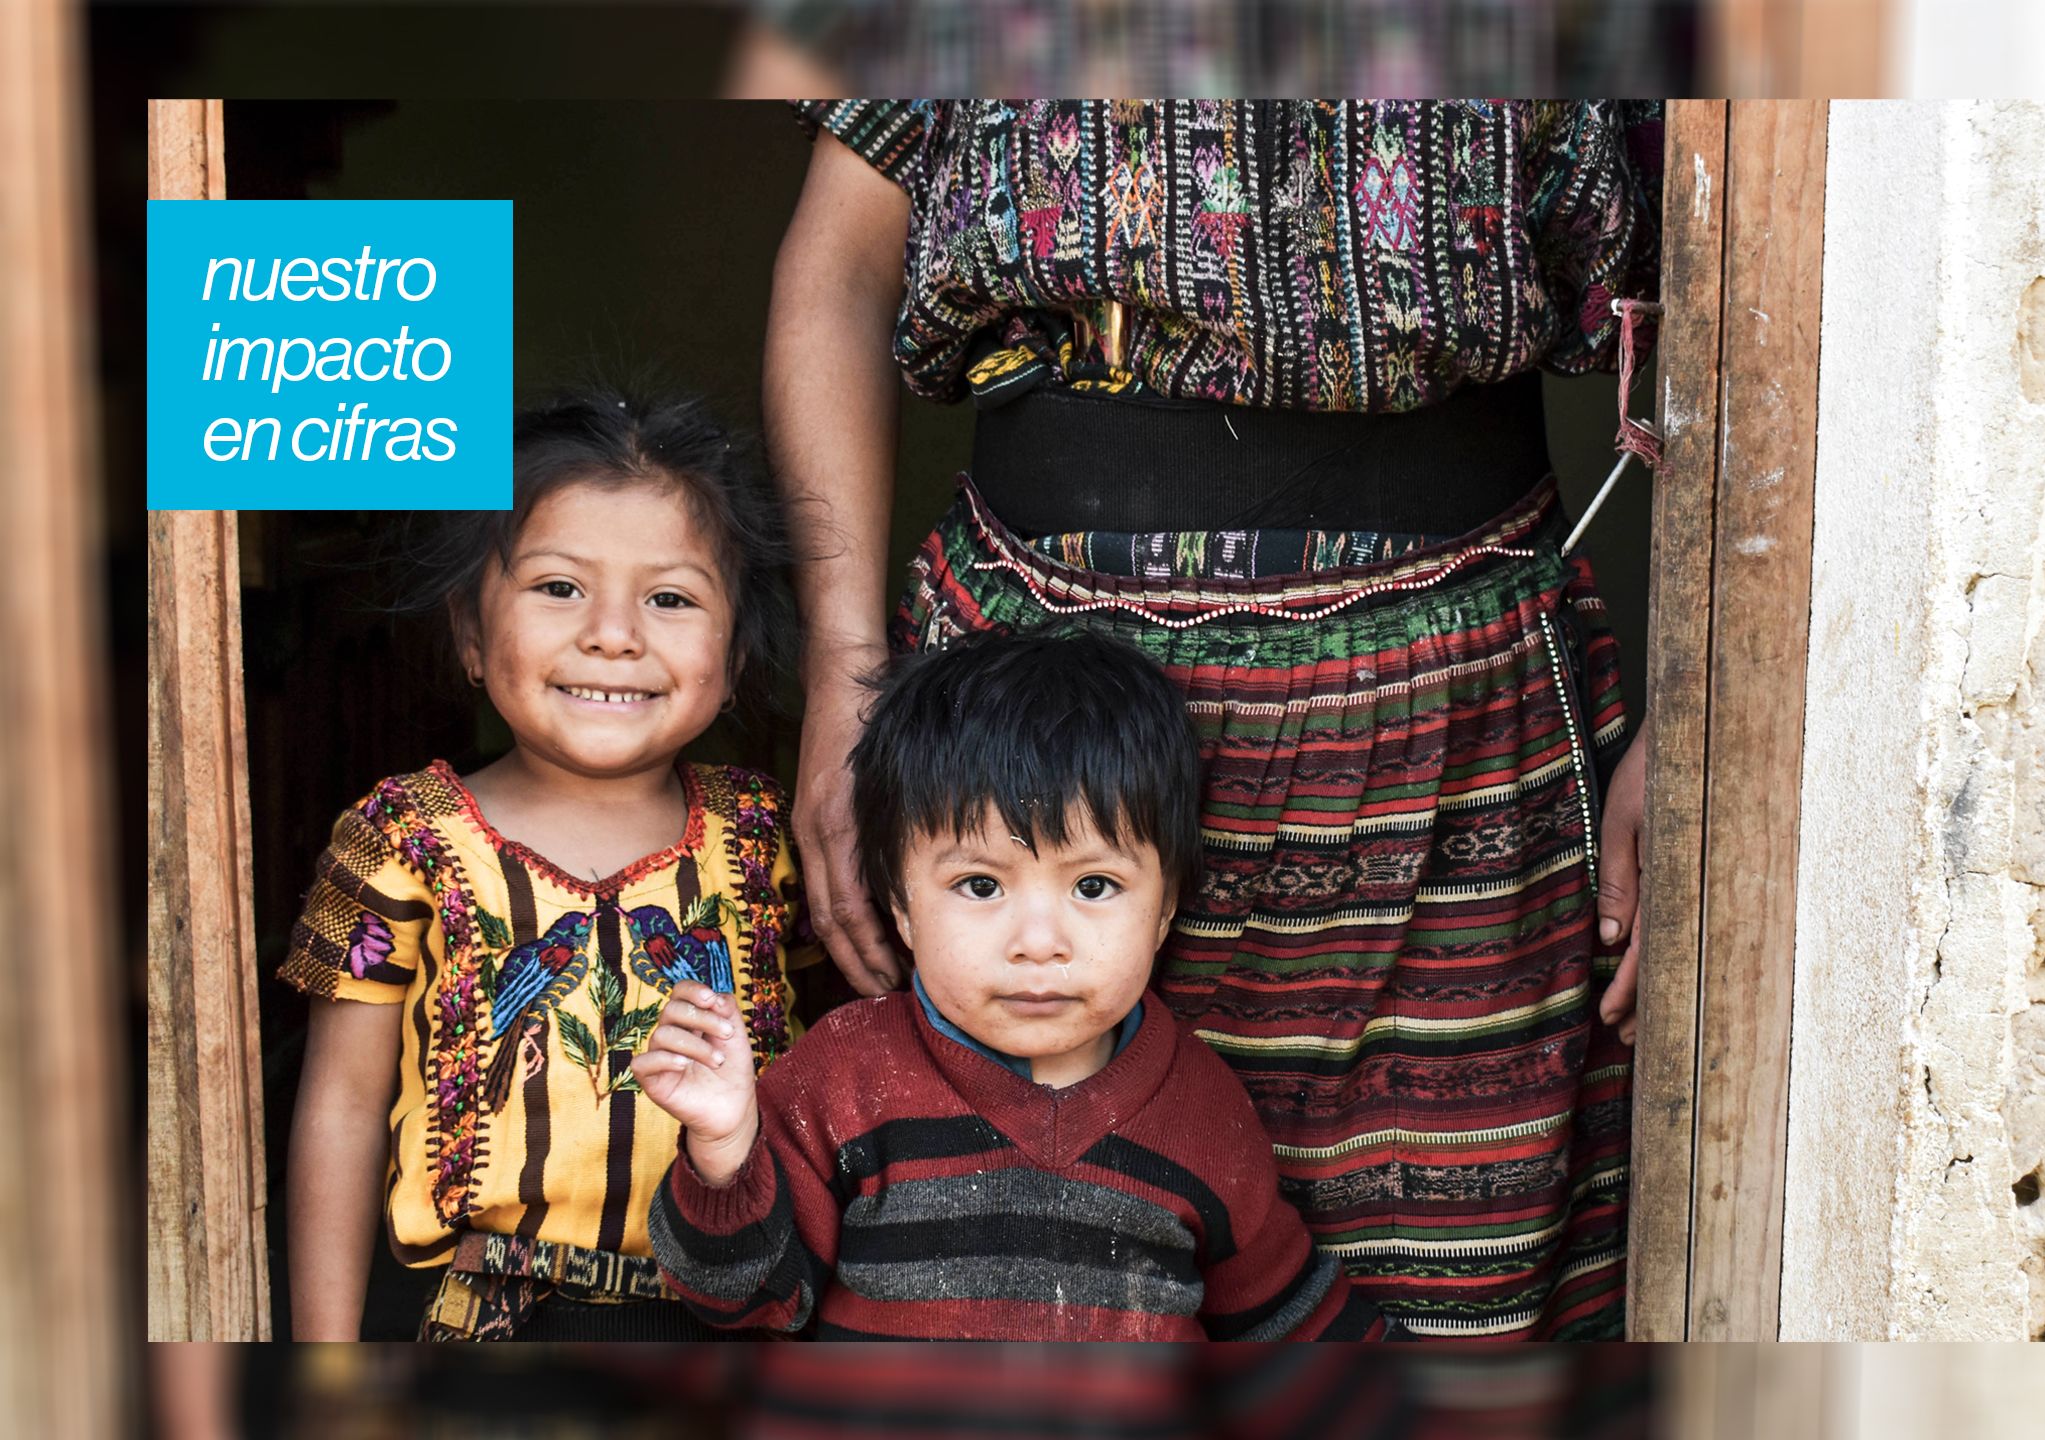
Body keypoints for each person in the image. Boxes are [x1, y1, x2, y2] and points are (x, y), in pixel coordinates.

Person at [765, 100, 1662, 1339]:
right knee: (995, 1282)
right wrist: (842, 668)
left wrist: (1699, 718)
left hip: (1453, 731)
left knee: (1450, 1291)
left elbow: (1751, 237)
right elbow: (844, 259)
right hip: (1021, 723)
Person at [641, 630, 1395, 1340]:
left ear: (1165, 908)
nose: (1039, 944)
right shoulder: (841, 1081)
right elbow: (747, 1302)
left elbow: (1287, 1327)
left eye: (1095, 886)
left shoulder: (1204, 1113)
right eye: (979, 886)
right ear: (900, 905)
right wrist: (724, 1150)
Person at [278, 386, 819, 1340]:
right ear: (471, 635)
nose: (612, 633)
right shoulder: (401, 842)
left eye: (671, 598)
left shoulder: (769, 843)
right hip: (478, 1326)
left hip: (729, 1319)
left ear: (735, 656)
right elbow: (341, 1112)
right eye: (559, 586)